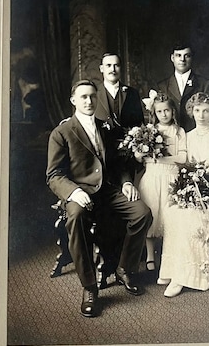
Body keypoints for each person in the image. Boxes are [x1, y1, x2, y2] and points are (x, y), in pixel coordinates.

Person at [46, 80, 152, 317]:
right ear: (73, 100)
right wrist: (74, 192)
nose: (89, 101)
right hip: (79, 191)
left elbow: (121, 161)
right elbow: (53, 175)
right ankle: (89, 287)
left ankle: (125, 268)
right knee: (75, 218)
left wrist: (126, 182)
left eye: (92, 96)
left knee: (142, 214)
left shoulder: (107, 127)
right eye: (83, 97)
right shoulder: (61, 132)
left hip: (108, 190)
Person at [158, 92, 209, 297]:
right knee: (174, 213)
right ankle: (173, 271)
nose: (201, 115)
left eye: (205, 111)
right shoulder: (189, 136)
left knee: (193, 218)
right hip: (196, 188)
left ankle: (187, 277)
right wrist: (191, 183)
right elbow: (185, 166)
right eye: (197, 111)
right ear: (191, 112)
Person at [135, 92, 187, 272]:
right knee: (153, 214)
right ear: (154, 113)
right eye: (159, 111)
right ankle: (150, 256)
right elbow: (141, 157)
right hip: (152, 177)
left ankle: (167, 257)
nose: (164, 114)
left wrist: (159, 158)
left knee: (169, 217)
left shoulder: (179, 132)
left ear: (173, 111)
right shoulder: (150, 131)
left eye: (167, 110)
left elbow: (183, 156)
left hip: (171, 177)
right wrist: (141, 154)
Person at [158, 45, 209, 132]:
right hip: (171, 137)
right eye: (178, 55)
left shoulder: (204, 83)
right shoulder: (162, 86)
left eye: (187, 55)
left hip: (197, 136)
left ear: (192, 58)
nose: (182, 59)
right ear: (172, 58)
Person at [94, 52, 144, 135]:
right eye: (108, 65)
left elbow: (139, 124)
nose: (113, 69)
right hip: (102, 145)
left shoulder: (132, 93)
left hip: (127, 145)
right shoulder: (94, 93)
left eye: (116, 65)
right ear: (101, 68)